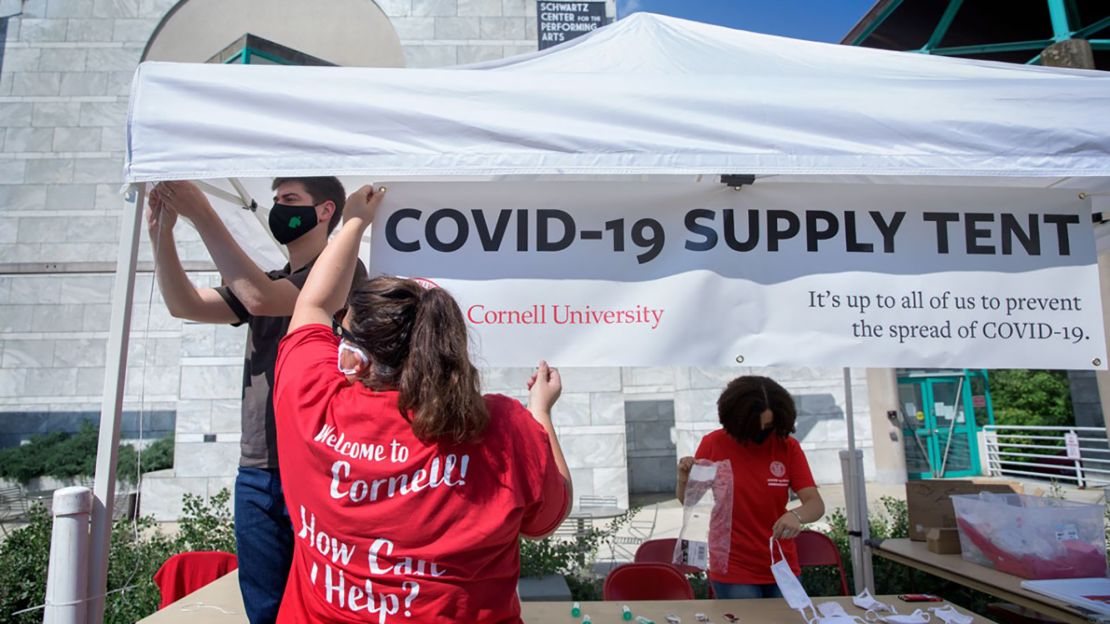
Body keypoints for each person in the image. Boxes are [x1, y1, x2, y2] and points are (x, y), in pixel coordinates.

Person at [272, 185, 573, 623]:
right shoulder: (504, 426)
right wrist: (542, 413)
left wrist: (354, 220)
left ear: (355, 359)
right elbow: (548, 516)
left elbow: (313, 304)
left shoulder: (311, 398)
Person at [146, 177, 365, 624]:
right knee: (265, 608)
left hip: (321, 467)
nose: (278, 210)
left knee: (327, 605)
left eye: (290, 201)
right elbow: (184, 304)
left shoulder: (346, 273)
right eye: (276, 200)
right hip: (259, 470)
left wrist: (203, 213)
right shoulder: (267, 282)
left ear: (325, 211)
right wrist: (160, 235)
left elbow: (261, 299)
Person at [676, 375, 825, 600]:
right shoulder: (714, 444)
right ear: (738, 420)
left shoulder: (787, 447)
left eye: (770, 425)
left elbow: (815, 504)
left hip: (781, 564)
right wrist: (683, 478)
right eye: (759, 426)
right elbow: (690, 501)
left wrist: (796, 516)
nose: (765, 432)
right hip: (733, 566)